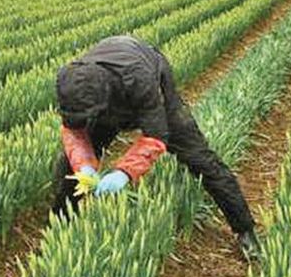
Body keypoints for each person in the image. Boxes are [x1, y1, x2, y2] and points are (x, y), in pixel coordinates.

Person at [53, 35, 261, 260]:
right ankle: (60, 224)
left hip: (152, 88)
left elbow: (156, 136)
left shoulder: (139, 79)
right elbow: (73, 131)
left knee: (201, 160)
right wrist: (83, 165)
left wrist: (124, 172)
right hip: (104, 100)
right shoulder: (72, 84)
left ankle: (245, 230)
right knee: (69, 169)